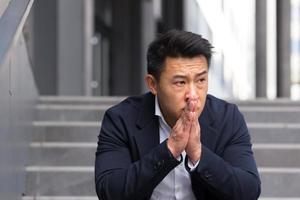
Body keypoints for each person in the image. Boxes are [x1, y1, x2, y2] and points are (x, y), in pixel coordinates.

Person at [95, 29, 261, 200]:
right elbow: (110, 191)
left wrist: (197, 153)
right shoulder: (121, 119)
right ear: (153, 84)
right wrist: (170, 149)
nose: (193, 94)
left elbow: (248, 191)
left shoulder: (227, 118)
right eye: (180, 82)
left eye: (201, 80)